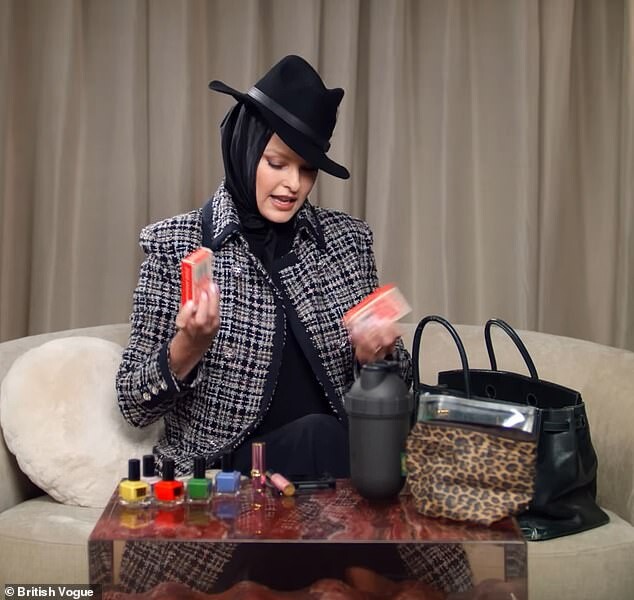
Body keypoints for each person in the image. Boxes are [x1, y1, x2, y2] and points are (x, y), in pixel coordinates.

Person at [116, 55, 411, 479]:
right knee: (321, 437)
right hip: (228, 469)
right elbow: (133, 404)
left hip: (338, 463)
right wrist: (190, 345)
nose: (294, 184)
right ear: (245, 145)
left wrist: (372, 361)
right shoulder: (174, 243)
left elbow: (402, 389)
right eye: (277, 163)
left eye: (307, 169)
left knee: (353, 444)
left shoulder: (347, 241)